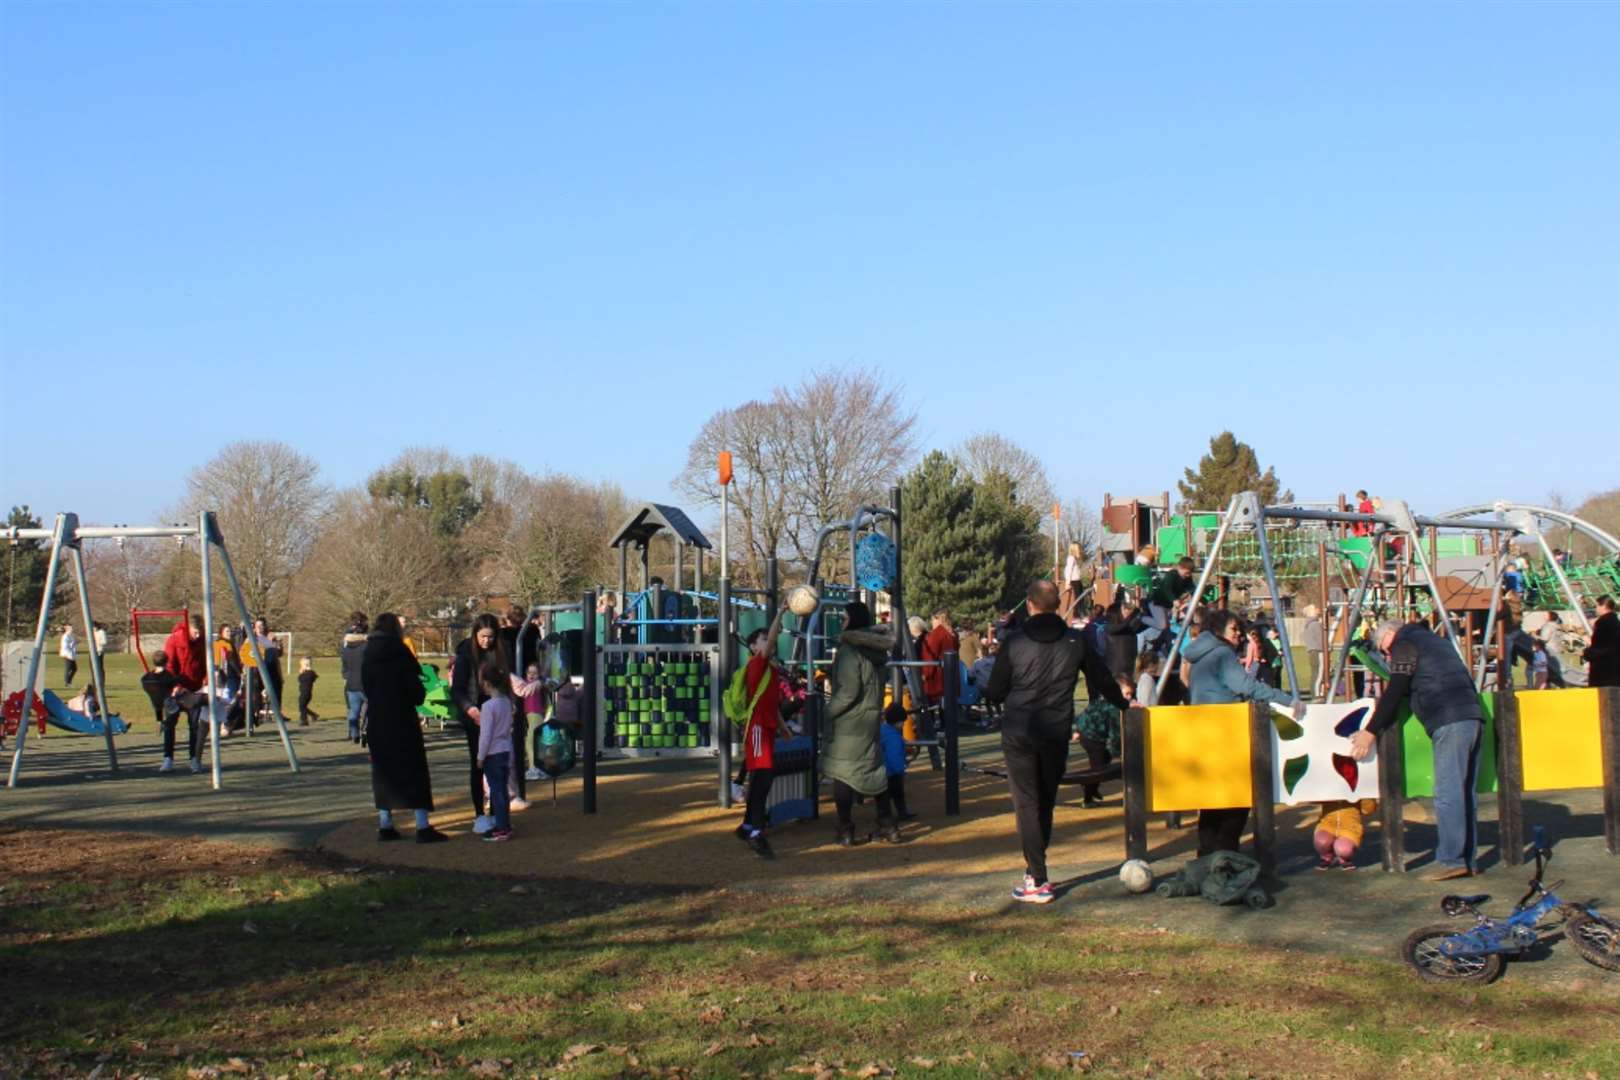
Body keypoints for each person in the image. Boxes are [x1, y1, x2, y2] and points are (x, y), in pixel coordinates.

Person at [984, 579, 1126, 904]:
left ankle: (1038, 876)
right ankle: (1036, 872)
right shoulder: (1075, 641)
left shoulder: (1016, 642)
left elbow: (994, 689)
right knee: (1045, 800)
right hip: (1055, 729)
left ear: (1030, 605)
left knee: (1027, 803)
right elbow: (1102, 677)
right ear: (1057, 606)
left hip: (1020, 729)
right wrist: (1123, 704)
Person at [1349, 618, 1484, 881]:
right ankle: (1468, 858)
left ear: (1390, 635)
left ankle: (1451, 860)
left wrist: (1369, 731)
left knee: (1448, 792)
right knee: (1465, 793)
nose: (1387, 655)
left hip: (1448, 718)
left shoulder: (1405, 643)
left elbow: (1396, 687)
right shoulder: (1435, 641)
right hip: (1472, 716)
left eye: (1384, 649)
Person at [1181, 610, 1303, 857]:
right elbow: (1245, 685)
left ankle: (1207, 851)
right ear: (1219, 631)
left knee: (1211, 798)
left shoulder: (1198, 656)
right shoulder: (1222, 653)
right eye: (1234, 629)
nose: (1239, 634)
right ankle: (1226, 851)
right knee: (1238, 795)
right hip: (1224, 731)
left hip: (1202, 731)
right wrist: (1285, 699)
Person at [823, 602, 903, 847]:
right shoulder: (875, 649)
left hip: (849, 720)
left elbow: (849, 690)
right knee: (873, 769)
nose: (843, 622)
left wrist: (829, 711)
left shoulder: (849, 650)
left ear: (853, 620)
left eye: (845, 618)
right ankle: (888, 825)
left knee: (843, 772)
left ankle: (845, 828)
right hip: (870, 718)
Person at [362, 613, 446, 843]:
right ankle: (422, 825)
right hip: (403, 719)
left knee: (383, 772)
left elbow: (366, 687)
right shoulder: (401, 654)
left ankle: (385, 824)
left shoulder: (368, 654)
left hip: (379, 719)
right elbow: (417, 694)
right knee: (414, 770)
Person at [735, 608, 789, 857]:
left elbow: (769, 702)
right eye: (763, 639)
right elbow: (775, 637)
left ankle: (748, 825)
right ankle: (756, 833)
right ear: (754, 647)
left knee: (761, 779)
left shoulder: (770, 669)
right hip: (757, 729)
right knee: (762, 780)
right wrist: (780, 614)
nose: (769, 641)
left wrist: (783, 727)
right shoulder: (757, 663)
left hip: (765, 728)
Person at [161, 615, 209, 774]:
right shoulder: (174, 640)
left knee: (195, 725)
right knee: (170, 724)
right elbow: (169, 665)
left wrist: (206, 679)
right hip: (175, 690)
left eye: (200, 632)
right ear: (189, 629)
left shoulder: (202, 642)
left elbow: (205, 663)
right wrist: (176, 685)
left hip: (194, 689)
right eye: (196, 632)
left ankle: (194, 759)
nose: (198, 635)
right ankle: (168, 758)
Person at [476, 662, 515, 842]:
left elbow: (486, 735)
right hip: (505, 749)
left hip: (492, 752)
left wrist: (480, 757)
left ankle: (501, 827)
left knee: (496, 791)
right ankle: (505, 824)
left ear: (486, 684)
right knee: (502, 790)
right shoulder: (507, 702)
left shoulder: (488, 707)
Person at [1145, 558, 1196, 654]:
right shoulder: (1172, 574)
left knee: (1168, 627)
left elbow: (1192, 588)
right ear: (1180, 567)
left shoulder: (1187, 578)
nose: (1188, 575)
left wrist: (1202, 600)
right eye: (1187, 572)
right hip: (1157, 602)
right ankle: (1141, 617)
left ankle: (1158, 643)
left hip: (1168, 605)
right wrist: (1174, 600)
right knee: (1162, 625)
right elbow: (1166, 589)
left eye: (1190, 573)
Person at [1315, 799, 1375, 870]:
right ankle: (1326, 857)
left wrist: (1364, 797)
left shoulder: (1360, 788)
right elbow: (1313, 799)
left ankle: (1344, 859)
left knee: (1344, 850)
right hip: (1328, 825)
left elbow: (1368, 810)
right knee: (1321, 841)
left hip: (1349, 829)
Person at [881, 702, 914, 821]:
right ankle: (899, 813)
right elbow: (894, 756)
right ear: (898, 722)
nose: (904, 724)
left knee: (888, 795)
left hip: (881, 770)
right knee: (896, 793)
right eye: (902, 722)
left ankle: (899, 812)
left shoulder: (882, 730)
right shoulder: (894, 737)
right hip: (891, 772)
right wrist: (901, 769)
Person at [341, 613, 368, 744]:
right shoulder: (366, 647)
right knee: (370, 709)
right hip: (365, 682)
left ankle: (354, 733)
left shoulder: (345, 649)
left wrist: (346, 677)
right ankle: (366, 730)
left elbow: (344, 666)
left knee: (354, 711)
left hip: (351, 683)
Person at [1583, 595, 1620, 689]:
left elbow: (1600, 648)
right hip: (1614, 669)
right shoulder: (1615, 621)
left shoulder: (1603, 622)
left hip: (1603, 671)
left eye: (1596, 606)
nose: (1595, 609)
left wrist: (1586, 652)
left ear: (1603, 606)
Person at [1104, 597, 1144, 681]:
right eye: (1123, 609)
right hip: (1116, 668)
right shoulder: (1110, 627)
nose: (1126, 611)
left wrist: (1138, 613)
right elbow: (1121, 627)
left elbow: (1137, 625)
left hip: (1130, 665)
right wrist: (1132, 615)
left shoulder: (1129, 627)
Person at [139, 651, 176, 730]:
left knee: (158, 707)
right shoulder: (168, 676)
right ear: (166, 662)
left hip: (155, 701)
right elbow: (173, 685)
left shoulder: (147, 677)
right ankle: (167, 723)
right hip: (167, 701)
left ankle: (159, 721)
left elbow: (143, 682)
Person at [1300, 604, 1325, 699]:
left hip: (1312, 651)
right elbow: (1321, 640)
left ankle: (1316, 693)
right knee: (1318, 673)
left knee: (1315, 673)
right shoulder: (1315, 625)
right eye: (1316, 609)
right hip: (1318, 651)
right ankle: (1317, 694)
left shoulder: (1307, 625)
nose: (1318, 610)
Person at [296, 657, 318, 726]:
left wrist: (301, 673)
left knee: (302, 706)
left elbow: (301, 679)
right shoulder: (306, 673)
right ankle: (314, 715)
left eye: (301, 665)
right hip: (303, 692)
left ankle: (304, 720)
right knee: (302, 706)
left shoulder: (310, 673)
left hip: (306, 693)